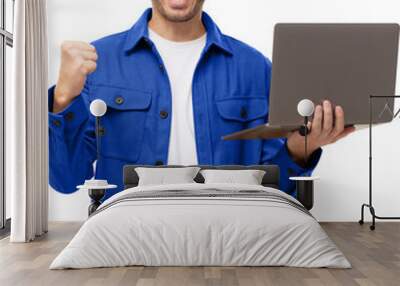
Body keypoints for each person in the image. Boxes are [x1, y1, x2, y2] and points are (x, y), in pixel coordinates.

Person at [48, 0, 355, 200]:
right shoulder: (99, 62)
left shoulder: (255, 67)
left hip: (233, 235)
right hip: (126, 237)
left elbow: (273, 185)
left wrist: (306, 145)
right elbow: (65, 179)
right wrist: (63, 98)